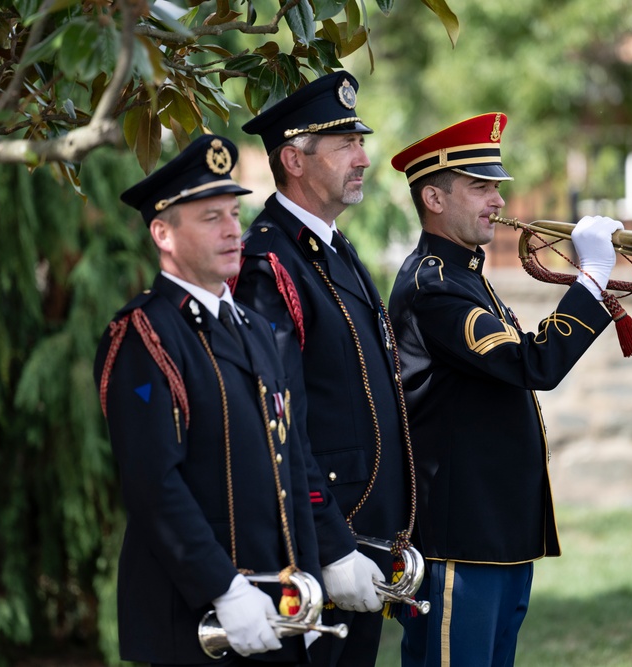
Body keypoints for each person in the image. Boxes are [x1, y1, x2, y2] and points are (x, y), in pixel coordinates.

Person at [387, 113, 624, 667]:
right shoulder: (435, 285)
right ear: (435, 199)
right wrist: (590, 280)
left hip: (495, 537)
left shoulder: (466, 277)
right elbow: (532, 363)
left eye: (496, 187)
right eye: (480, 187)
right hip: (459, 543)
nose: (496, 201)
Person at [93, 134, 327, 667]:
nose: (231, 230)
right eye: (209, 217)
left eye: (233, 213)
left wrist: (307, 581)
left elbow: (287, 465)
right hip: (199, 621)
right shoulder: (146, 333)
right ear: (163, 233)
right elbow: (154, 484)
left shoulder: (251, 327)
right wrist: (222, 586)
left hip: (276, 606)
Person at [232, 71, 417, 667]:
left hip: (365, 540)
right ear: (294, 159)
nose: (364, 158)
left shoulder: (332, 247)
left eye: (360, 142)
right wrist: (333, 548)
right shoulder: (270, 261)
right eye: (345, 145)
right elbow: (276, 420)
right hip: (319, 546)